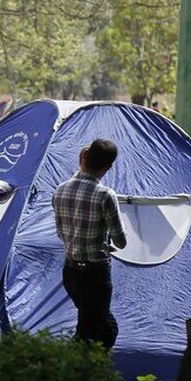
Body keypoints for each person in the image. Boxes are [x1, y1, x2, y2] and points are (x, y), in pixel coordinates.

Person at [51, 138, 127, 349]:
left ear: (84, 157)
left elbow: (61, 232)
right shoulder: (105, 195)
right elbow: (121, 242)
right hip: (96, 276)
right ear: (108, 167)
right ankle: (73, 374)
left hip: (71, 273)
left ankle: (88, 375)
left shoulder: (60, 190)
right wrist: (106, 242)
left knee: (102, 329)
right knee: (92, 335)